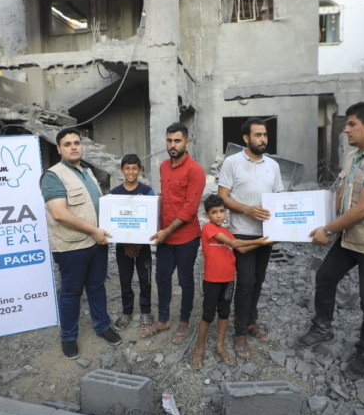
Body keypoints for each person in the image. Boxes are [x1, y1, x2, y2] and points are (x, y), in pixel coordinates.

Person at [295, 102, 364, 380]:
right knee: (325, 277)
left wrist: (327, 230)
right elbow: (340, 196)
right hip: (351, 239)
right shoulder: (353, 157)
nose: (346, 129)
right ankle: (322, 327)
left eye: (351, 123)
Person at [40, 127, 122, 360]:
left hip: (97, 244)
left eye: (77, 142)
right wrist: (95, 231)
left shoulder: (87, 171)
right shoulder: (53, 175)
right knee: (71, 292)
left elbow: (93, 205)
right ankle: (68, 337)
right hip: (72, 246)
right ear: (59, 149)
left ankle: (102, 326)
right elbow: (59, 214)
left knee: (96, 286)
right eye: (67, 144)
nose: (74, 146)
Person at [218, 117, 284, 358]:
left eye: (265, 135)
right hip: (242, 232)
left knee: (258, 280)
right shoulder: (232, 162)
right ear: (246, 138)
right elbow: (222, 197)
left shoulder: (273, 166)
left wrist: (281, 229)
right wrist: (247, 209)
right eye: (258, 135)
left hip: (266, 233)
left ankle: (250, 321)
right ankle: (239, 333)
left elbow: (279, 198)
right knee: (245, 282)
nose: (263, 139)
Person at [191, 195, 272, 369]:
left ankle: (220, 346)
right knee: (207, 315)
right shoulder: (208, 228)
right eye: (214, 212)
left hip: (228, 282)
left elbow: (241, 248)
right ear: (207, 215)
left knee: (224, 313)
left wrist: (264, 243)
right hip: (212, 281)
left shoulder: (227, 231)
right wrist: (260, 239)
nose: (219, 215)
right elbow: (234, 243)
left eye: (221, 211)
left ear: (225, 212)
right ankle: (199, 349)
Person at [143, 122, 206, 343]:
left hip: (186, 237)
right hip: (164, 236)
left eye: (177, 140)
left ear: (186, 142)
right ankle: (163, 319)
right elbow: (164, 201)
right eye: (169, 140)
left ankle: (184, 322)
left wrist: (166, 231)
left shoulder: (195, 170)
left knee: (185, 280)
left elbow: (190, 208)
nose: (173, 144)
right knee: (161, 278)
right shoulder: (162, 167)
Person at [110, 154, 155, 332]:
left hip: (143, 247)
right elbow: (112, 222)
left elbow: (152, 220)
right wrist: (127, 244)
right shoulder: (114, 193)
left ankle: (146, 310)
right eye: (127, 168)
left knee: (145, 279)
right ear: (122, 170)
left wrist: (139, 244)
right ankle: (127, 312)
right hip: (123, 248)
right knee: (125, 280)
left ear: (140, 170)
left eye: (134, 168)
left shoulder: (147, 191)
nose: (131, 172)